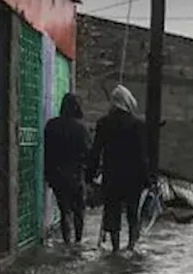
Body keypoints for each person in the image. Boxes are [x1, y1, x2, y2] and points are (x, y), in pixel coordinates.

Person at [87, 85, 151, 253]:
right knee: (132, 212)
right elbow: (142, 155)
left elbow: (96, 151)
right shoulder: (138, 125)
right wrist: (147, 179)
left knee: (112, 212)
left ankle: (114, 249)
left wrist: (90, 176)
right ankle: (131, 246)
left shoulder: (103, 123)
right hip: (133, 178)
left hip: (112, 176)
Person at [43, 92, 90, 245]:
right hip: (76, 175)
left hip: (57, 174)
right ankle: (78, 240)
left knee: (64, 210)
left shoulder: (51, 125)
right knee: (79, 211)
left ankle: (66, 241)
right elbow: (87, 152)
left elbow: (47, 152)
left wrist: (48, 174)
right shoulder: (81, 128)